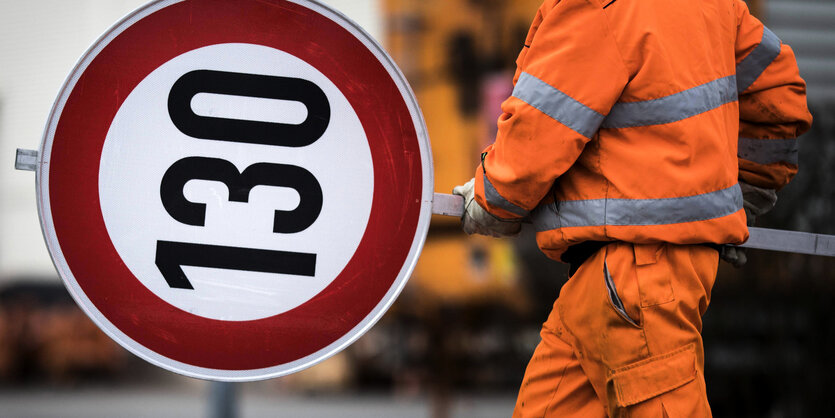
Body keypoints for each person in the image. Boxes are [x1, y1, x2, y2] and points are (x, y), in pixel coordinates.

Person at [452, 0, 812, 416]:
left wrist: (491, 197)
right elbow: (780, 98)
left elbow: (542, 121)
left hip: (634, 280)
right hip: (630, 283)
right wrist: (729, 198)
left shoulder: (600, 6)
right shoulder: (718, 5)